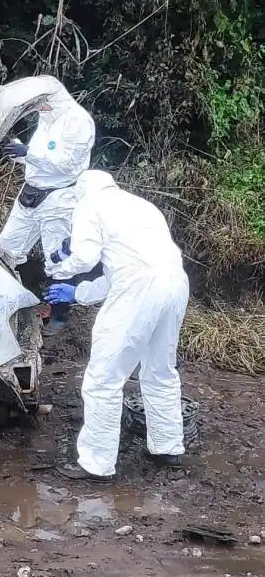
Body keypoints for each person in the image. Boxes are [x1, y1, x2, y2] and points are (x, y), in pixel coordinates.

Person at [44, 170, 189, 482]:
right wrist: (78, 294)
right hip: (175, 283)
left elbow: (84, 258)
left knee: (103, 379)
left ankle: (96, 463)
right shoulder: (141, 205)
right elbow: (116, 272)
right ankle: (168, 447)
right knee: (160, 370)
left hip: (138, 289)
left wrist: (60, 268)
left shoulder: (89, 205)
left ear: (80, 192)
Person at [0, 78, 96, 333]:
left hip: (58, 198)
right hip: (30, 194)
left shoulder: (78, 122)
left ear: (52, 100)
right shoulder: (46, 119)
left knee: (57, 258)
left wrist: (27, 153)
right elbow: (40, 158)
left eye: (40, 104)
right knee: (4, 249)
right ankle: (6, 304)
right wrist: (19, 151)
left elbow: (66, 165)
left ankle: (60, 315)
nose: (38, 109)